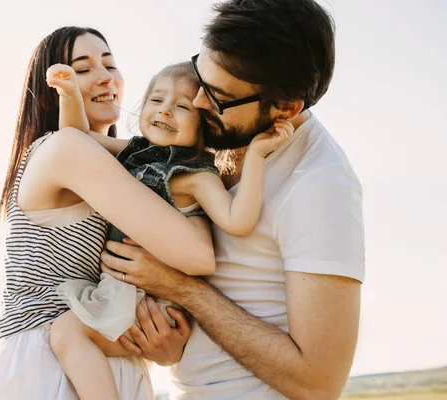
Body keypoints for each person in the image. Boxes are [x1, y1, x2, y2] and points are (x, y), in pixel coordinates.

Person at [101, 1, 366, 399]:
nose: (200, 103)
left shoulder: (320, 186)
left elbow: (319, 383)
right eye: (201, 80)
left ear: (286, 107)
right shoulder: (219, 138)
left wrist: (181, 288)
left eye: (219, 96)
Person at [0, 26, 218, 400]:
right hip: (48, 364)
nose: (105, 76)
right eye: (83, 68)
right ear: (55, 86)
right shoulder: (63, 148)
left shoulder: (131, 172)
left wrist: (163, 348)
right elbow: (198, 253)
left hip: (100, 355)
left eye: (110, 64)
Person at [45, 61, 293, 399]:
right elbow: (76, 141)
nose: (165, 111)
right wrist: (70, 94)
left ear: (205, 123)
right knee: (67, 334)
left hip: (151, 306)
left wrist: (257, 157)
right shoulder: (136, 151)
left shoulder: (197, 174)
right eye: (156, 100)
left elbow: (238, 220)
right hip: (124, 295)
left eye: (181, 106)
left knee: (66, 333)